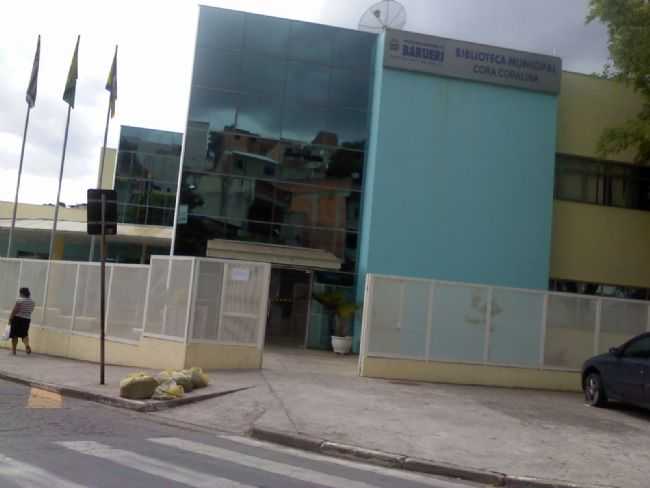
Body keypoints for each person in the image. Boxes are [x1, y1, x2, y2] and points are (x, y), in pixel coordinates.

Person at [9, 288, 34, 355]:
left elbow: (15, 310)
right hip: (27, 319)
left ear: (22, 293)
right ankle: (27, 345)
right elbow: (31, 311)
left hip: (17, 318)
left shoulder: (20, 300)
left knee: (14, 335)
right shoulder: (32, 302)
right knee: (24, 334)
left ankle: (14, 351)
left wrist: (10, 318)